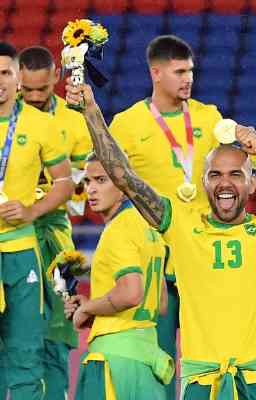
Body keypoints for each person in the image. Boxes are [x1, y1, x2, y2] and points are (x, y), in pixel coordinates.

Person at [65, 78, 256, 399]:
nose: (224, 183)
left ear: (252, 184)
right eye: (215, 175)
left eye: (236, 175)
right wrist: (90, 110)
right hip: (203, 384)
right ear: (204, 182)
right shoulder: (181, 226)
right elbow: (124, 178)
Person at [109, 34, 222, 399]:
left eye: (190, 71)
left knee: (208, 348)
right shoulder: (126, 124)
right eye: (179, 72)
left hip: (201, 251)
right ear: (155, 73)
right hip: (153, 253)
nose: (188, 78)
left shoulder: (210, 117)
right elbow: (112, 190)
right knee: (156, 349)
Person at [17, 45, 92, 400]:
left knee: (61, 322)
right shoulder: (6, 119)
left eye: (41, 90)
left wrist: (63, 190)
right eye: (25, 89)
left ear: (56, 80)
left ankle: (57, 393)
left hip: (57, 236)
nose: (32, 97)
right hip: (11, 236)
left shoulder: (74, 121)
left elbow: (85, 182)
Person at [0, 41, 73, 400]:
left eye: (5, 73)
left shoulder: (44, 125)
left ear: (16, 77)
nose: (0, 82)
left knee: (32, 347)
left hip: (27, 248)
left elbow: (66, 183)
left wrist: (30, 211)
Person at [65, 152, 171, 399]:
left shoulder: (118, 229)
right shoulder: (150, 227)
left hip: (113, 361)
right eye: (88, 181)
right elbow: (160, 303)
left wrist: (87, 309)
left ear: (124, 186)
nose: (91, 189)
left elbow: (131, 294)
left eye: (101, 180)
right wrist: (96, 310)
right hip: (146, 362)